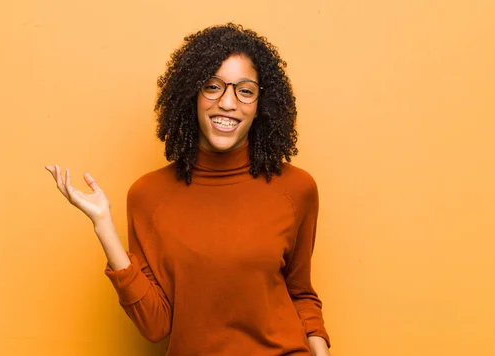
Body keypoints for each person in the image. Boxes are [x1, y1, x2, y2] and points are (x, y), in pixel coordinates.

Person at [45, 23, 331, 356]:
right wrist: (103, 224)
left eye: (245, 90)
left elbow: (302, 296)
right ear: (191, 95)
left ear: (260, 104)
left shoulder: (296, 189)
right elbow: (155, 326)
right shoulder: (149, 196)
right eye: (213, 87)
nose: (227, 102)